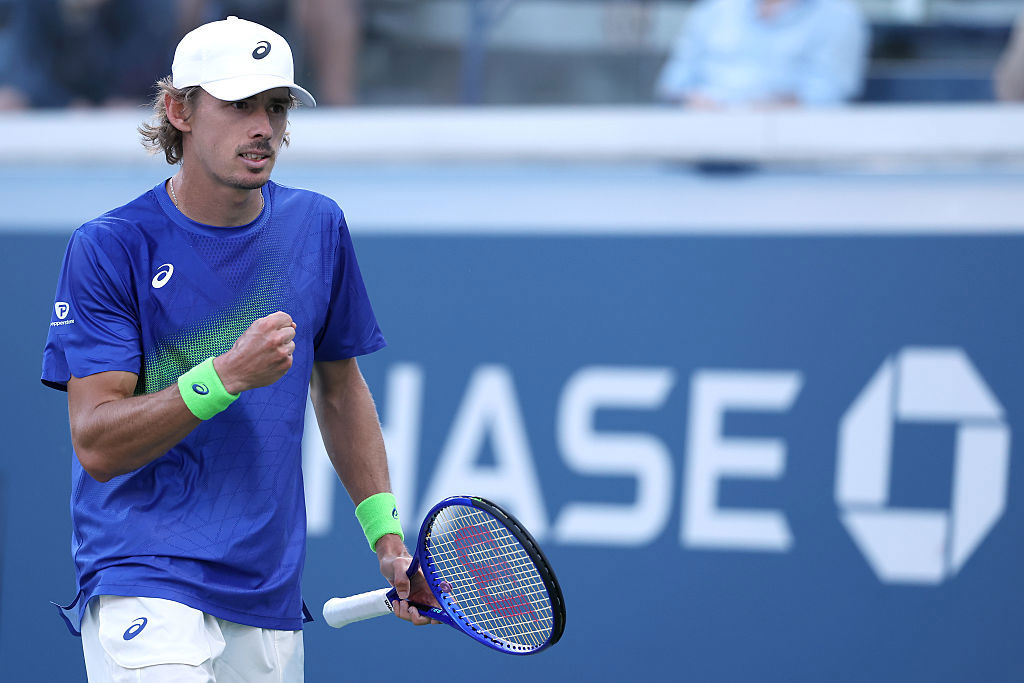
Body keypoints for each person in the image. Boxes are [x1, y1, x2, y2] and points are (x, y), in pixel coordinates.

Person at [41, 16, 435, 682]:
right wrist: (223, 376)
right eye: (239, 105)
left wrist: (388, 543)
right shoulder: (110, 247)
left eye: (275, 107)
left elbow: (339, 389)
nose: (263, 126)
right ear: (179, 110)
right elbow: (97, 441)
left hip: (266, 589)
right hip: (145, 570)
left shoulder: (318, 226)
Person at [654, 0, 869, 109]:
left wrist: (774, 107)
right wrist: (695, 101)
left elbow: (830, 92)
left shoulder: (838, 16)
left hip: (792, 158)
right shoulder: (714, 10)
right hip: (705, 148)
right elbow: (674, 83)